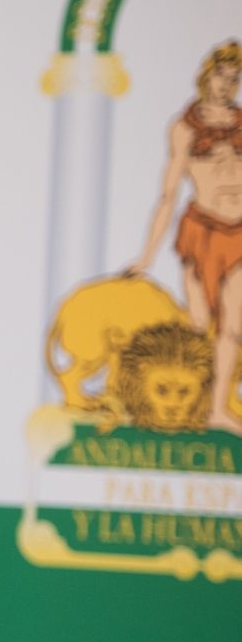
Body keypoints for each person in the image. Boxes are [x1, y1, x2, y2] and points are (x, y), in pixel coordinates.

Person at [128, 39, 242, 429]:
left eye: (234, 79)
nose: (226, 86)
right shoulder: (184, 128)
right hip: (202, 230)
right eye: (221, 77)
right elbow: (168, 193)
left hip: (239, 232)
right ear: (206, 76)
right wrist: (146, 257)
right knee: (198, 326)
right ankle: (196, 406)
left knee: (232, 325)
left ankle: (217, 408)